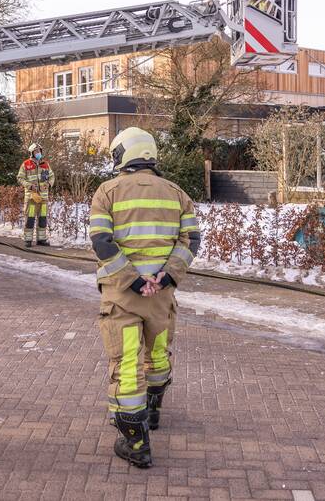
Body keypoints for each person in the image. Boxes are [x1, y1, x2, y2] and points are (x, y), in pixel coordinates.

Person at [89, 127, 200, 469]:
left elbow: (102, 242)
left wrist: (134, 281)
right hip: (162, 296)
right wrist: (166, 276)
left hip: (123, 295)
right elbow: (191, 241)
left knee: (127, 365)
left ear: (123, 154)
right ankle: (153, 412)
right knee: (158, 355)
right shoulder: (177, 194)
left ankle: (135, 442)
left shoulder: (107, 192)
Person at [17, 142, 55, 247]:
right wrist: (29, 186)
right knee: (30, 218)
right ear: (32, 153)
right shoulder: (26, 164)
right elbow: (20, 178)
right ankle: (28, 240)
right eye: (36, 151)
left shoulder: (46, 164)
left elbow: (52, 176)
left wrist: (49, 184)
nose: (38, 153)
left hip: (43, 197)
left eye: (39, 151)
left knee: (42, 218)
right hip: (31, 197)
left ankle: (41, 239)